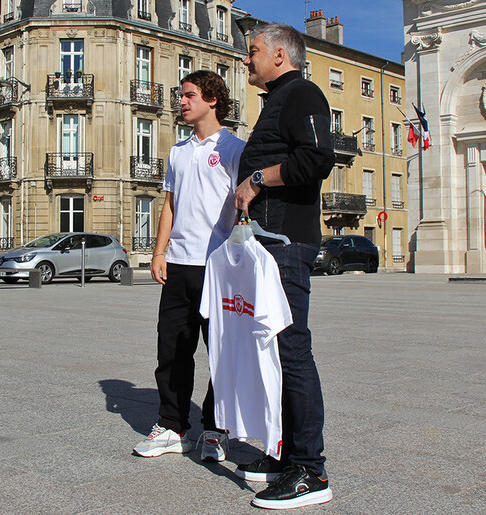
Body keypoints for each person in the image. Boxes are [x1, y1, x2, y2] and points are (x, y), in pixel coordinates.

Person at [231, 23, 335, 510]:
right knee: (275, 351)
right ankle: (288, 456)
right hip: (268, 240)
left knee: (292, 351)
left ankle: (311, 472)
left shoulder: (302, 93)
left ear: (279, 54)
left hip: (286, 242)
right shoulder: (276, 100)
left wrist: (255, 178)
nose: (246, 59)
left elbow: (316, 158)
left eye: (252, 51)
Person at [132, 70, 245, 462]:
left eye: (189, 95)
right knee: (172, 349)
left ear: (212, 100)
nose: (181, 101)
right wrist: (159, 252)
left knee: (221, 350)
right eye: (181, 95)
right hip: (178, 265)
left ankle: (216, 429)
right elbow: (170, 204)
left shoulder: (234, 148)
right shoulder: (178, 150)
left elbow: (242, 207)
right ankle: (172, 424)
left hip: (217, 266)